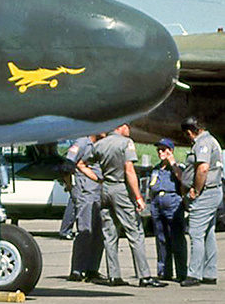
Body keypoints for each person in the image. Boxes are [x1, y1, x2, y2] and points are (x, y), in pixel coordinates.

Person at [87, 124, 161, 287]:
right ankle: (144, 276)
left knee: (110, 234)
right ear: (121, 127)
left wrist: (97, 178)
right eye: (128, 126)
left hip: (106, 188)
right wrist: (138, 196)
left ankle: (114, 275)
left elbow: (81, 163)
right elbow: (129, 170)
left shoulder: (100, 144)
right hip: (121, 189)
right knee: (135, 232)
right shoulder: (126, 143)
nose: (129, 129)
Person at [180, 117, 222, 287]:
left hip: (205, 193)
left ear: (190, 132)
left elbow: (203, 168)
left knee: (196, 233)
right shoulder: (212, 140)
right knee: (208, 233)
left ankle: (194, 274)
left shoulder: (203, 143)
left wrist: (195, 190)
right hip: (213, 192)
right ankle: (209, 272)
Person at [64, 133, 104, 282]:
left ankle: (92, 269)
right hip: (85, 194)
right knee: (85, 231)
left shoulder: (101, 144)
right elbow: (67, 165)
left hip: (99, 193)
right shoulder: (81, 143)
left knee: (98, 233)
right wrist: (70, 186)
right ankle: (77, 270)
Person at [148, 138, 188, 282]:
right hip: (157, 203)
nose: (160, 152)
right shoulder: (157, 169)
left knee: (176, 238)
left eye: (163, 150)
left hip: (172, 202)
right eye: (158, 150)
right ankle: (164, 270)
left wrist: (173, 163)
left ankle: (182, 271)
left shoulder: (177, 168)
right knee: (161, 239)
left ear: (170, 151)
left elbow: (183, 179)